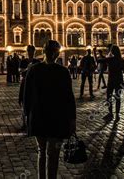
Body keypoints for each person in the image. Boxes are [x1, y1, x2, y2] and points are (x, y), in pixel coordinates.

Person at [23, 40, 76, 178]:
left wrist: (27, 115)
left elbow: (26, 95)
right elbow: (69, 98)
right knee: (53, 154)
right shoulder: (63, 71)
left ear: (42, 52)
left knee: (42, 151)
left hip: (38, 117)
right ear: (58, 54)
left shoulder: (33, 70)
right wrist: (72, 119)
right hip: (57, 118)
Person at [94, 45, 124, 120]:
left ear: (112, 51)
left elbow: (98, 61)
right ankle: (117, 115)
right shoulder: (121, 60)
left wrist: (94, 52)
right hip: (119, 80)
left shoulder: (110, 59)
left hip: (111, 80)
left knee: (109, 97)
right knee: (118, 98)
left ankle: (110, 113)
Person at [19, 45, 39, 129]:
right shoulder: (23, 61)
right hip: (25, 83)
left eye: (32, 51)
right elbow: (21, 72)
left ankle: (32, 121)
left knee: (33, 102)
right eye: (29, 51)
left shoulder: (37, 61)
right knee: (24, 101)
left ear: (34, 52)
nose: (30, 53)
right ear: (27, 52)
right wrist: (28, 68)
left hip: (34, 84)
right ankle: (24, 122)